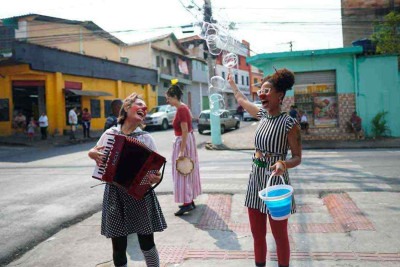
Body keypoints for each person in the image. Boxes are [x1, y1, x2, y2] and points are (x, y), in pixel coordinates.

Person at [228, 68, 302, 267]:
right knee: (257, 235)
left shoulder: (289, 123)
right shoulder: (261, 115)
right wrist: (233, 85)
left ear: (280, 95)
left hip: (276, 182)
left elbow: (297, 157)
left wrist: (283, 163)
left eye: (267, 90)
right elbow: (242, 99)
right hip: (256, 180)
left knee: (279, 236)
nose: (262, 94)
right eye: (261, 90)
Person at [88, 93, 167, 267]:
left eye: (145, 107)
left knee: (147, 242)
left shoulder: (146, 138)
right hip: (115, 193)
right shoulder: (110, 134)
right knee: (118, 245)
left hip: (140, 195)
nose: (144, 108)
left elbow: (156, 173)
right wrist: (92, 153)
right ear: (127, 108)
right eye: (139, 104)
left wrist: (154, 177)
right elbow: (94, 150)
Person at [165, 81, 201, 216]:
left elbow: (185, 130)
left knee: (183, 170)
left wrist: (181, 150)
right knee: (188, 170)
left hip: (183, 141)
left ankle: (187, 203)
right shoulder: (184, 107)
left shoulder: (181, 109)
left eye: (168, 97)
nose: (167, 100)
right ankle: (189, 200)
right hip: (186, 141)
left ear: (174, 96)